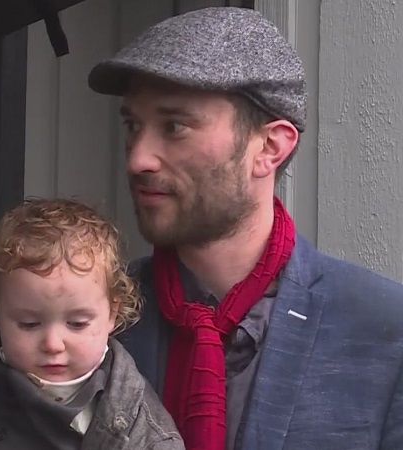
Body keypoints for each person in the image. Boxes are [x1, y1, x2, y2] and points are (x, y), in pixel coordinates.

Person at [86, 6, 403, 450]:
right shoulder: (90, 321)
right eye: (133, 126)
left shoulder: (383, 331)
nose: (139, 157)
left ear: (270, 147)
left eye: (174, 126)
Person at [0, 198, 184, 450]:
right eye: (29, 324)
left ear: (112, 314)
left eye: (77, 324)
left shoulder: (139, 423)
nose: (53, 344)